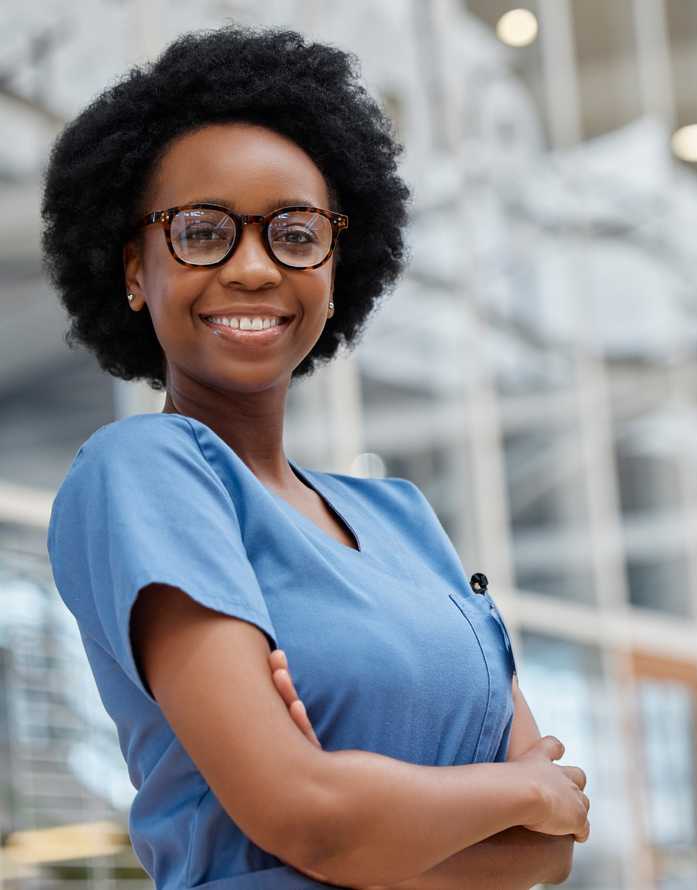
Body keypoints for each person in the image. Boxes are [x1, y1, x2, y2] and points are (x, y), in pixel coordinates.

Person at [41, 23, 589, 890]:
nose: (254, 268)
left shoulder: (402, 518)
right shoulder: (144, 471)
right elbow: (310, 818)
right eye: (203, 231)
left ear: (338, 270)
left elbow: (551, 848)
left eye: (294, 235)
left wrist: (379, 815)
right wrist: (514, 791)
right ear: (136, 270)